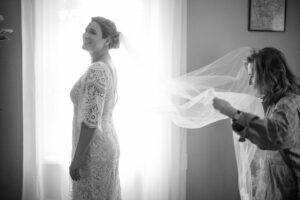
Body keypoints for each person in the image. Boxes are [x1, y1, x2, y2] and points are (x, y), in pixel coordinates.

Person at [213, 47, 300, 200]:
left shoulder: (289, 104)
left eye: (253, 76)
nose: (250, 82)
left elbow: (273, 135)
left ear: (269, 75)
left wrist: (234, 113)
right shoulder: (275, 104)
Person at [69, 16, 121, 200]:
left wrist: (77, 159)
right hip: (106, 142)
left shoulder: (98, 70)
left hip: (94, 150)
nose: (85, 35)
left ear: (107, 40)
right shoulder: (109, 65)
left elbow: (90, 121)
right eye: (86, 30)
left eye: (92, 32)